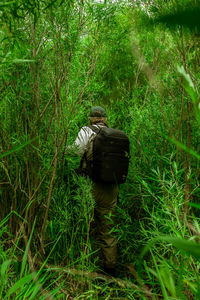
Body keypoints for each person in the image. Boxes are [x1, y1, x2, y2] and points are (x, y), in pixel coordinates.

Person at [73, 106, 118, 276]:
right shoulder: (115, 134)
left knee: (86, 224)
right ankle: (109, 270)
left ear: (90, 118)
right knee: (107, 228)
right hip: (111, 187)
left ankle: (87, 267)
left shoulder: (87, 131)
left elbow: (76, 151)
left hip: (90, 184)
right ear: (105, 119)